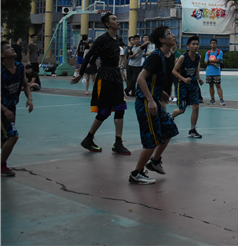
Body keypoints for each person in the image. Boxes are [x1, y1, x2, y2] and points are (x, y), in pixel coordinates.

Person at [71, 14, 130, 155]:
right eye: (114, 19)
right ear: (107, 24)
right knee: (104, 112)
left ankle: (118, 142)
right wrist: (81, 73)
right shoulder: (102, 39)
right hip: (105, 77)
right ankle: (88, 138)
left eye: (117, 18)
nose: (118, 21)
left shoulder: (117, 39)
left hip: (116, 77)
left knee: (120, 109)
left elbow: (98, 56)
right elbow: (90, 55)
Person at [129, 26, 180, 184]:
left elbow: (153, 79)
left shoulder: (165, 56)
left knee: (169, 129)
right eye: (169, 34)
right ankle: (136, 173)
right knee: (151, 140)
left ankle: (155, 161)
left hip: (155, 99)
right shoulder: (155, 57)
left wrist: (160, 92)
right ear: (162, 40)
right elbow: (141, 78)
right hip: (146, 103)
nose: (173, 35)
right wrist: (151, 99)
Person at [1, 41, 34, 177]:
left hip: (11, 107)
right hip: (2, 109)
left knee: (4, 140)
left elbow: (25, 85)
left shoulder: (20, 67)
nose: (12, 48)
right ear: (2, 55)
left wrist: (29, 99)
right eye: (8, 48)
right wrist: (4, 110)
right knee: (13, 136)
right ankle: (2, 166)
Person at [171, 36, 204, 138]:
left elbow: (196, 68)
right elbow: (174, 71)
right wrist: (184, 79)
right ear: (188, 46)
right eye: (193, 44)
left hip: (193, 85)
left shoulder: (198, 57)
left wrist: (199, 78)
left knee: (196, 106)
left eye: (197, 44)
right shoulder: (183, 57)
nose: (195, 46)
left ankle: (192, 130)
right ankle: (170, 118)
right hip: (183, 86)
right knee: (182, 110)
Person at [205, 39, 224, 105]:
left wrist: (209, 61)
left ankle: (221, 100)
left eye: (214, 43)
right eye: (212, 43)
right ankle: (212, 99)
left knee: (218, 85)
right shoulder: (208, 53)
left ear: (216, 44)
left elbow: (218, 60)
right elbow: (205, 62)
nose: (213, 44)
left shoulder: (219, 52)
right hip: (209, 72)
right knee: (211, 85)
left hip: (216, 72)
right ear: (210, 44)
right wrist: (213, 63)